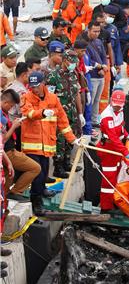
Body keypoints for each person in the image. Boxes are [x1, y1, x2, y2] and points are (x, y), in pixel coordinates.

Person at [20, 70, 78, 214]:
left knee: (45, 170)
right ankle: (36, 200)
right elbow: (28, 113)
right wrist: (42, 113)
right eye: (32, 86)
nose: (35, 89)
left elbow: (63, 121)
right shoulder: (26, 97)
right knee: (37, 173)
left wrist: (73, 139)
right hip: (31, 144)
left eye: (37, 86)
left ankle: (42, 190)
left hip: (47, 144)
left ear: (43, 83)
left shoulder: (53, 99)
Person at [96, 89, 129, 212]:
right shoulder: (107, 116)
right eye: (115, 106)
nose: (117, 108)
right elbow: (113, 137)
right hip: (108, 150)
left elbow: (120, 127)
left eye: (120, 106)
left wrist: (126, 134)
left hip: (115, 149)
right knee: (109, 179)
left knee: (116, 175)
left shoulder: (120, 111)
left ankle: (114, 200)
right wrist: (125, 151)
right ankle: (106, 207)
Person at [46, 49, 83, 176]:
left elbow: (77, 94)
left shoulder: (73, 75)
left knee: (70, 139)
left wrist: (80, 113)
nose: (74, 65)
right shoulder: (53, 76)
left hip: (71, 113)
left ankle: (67, 162)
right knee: (60, 140)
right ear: (65, 61)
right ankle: (58, 166)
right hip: (59, 115)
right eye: (72, 62)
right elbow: (49, 98)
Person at [1, 89, 40, 198]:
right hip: (7, 152)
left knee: (6, 180)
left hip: (8, 151)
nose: (11, 109)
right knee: (35, 168)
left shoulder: (4, 112)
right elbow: (2, 140)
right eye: (11, 106)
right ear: (5, 103)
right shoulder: (1, 116)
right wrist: (14, 126)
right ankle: (16, 191)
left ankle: (7, 195)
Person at [82, 21, 108, 130]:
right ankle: (87, 122)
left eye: (98, 31)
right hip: (92, 76)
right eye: (94, 31)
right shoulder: (84, 43)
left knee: (97, 99)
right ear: (89, 30)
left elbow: (103, 56)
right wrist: (100, 67)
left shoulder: (98, 42)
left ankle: (94, 120)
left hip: (101, 76)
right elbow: (88, 60)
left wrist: (105, 66)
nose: (97, 34)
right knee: (90, 101)